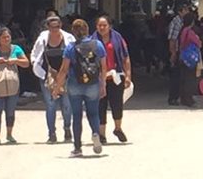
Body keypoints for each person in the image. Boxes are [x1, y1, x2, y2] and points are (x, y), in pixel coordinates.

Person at [53, 22, 105, 156]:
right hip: (92, 83)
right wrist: (103, 84)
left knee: (76, 116)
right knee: (93, 113)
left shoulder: (71, 47)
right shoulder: (98, 45)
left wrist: (57, 88)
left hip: (74, 84)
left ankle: (77, 148)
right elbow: (103, 67)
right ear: (87, 30)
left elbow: (64, 69)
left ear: (74, 32)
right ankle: (95, 133)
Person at [30, 13, 74, 144]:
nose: (55, 29)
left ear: (60, 25)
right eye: (52, 27)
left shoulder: (68, 38)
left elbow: (73, 56)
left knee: (66, 105)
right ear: (48, 27)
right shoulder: (42, 39)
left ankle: (67, 128)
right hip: (47, 76)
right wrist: (40, 71)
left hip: (65, 75)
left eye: (57, 26)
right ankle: (52, 133)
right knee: (51, 105)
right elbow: (35, 55)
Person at [96, 15, 132, 145]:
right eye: (99, 25)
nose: (102, 28)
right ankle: (101, 134)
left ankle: (118, 128)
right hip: (99, 78)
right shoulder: (92, 40)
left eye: (104, 25)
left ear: (109, 26)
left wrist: (128, 76)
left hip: (116, 77)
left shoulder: (118, 38)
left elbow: (125, 57)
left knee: (117, 103)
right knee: (100, 105)